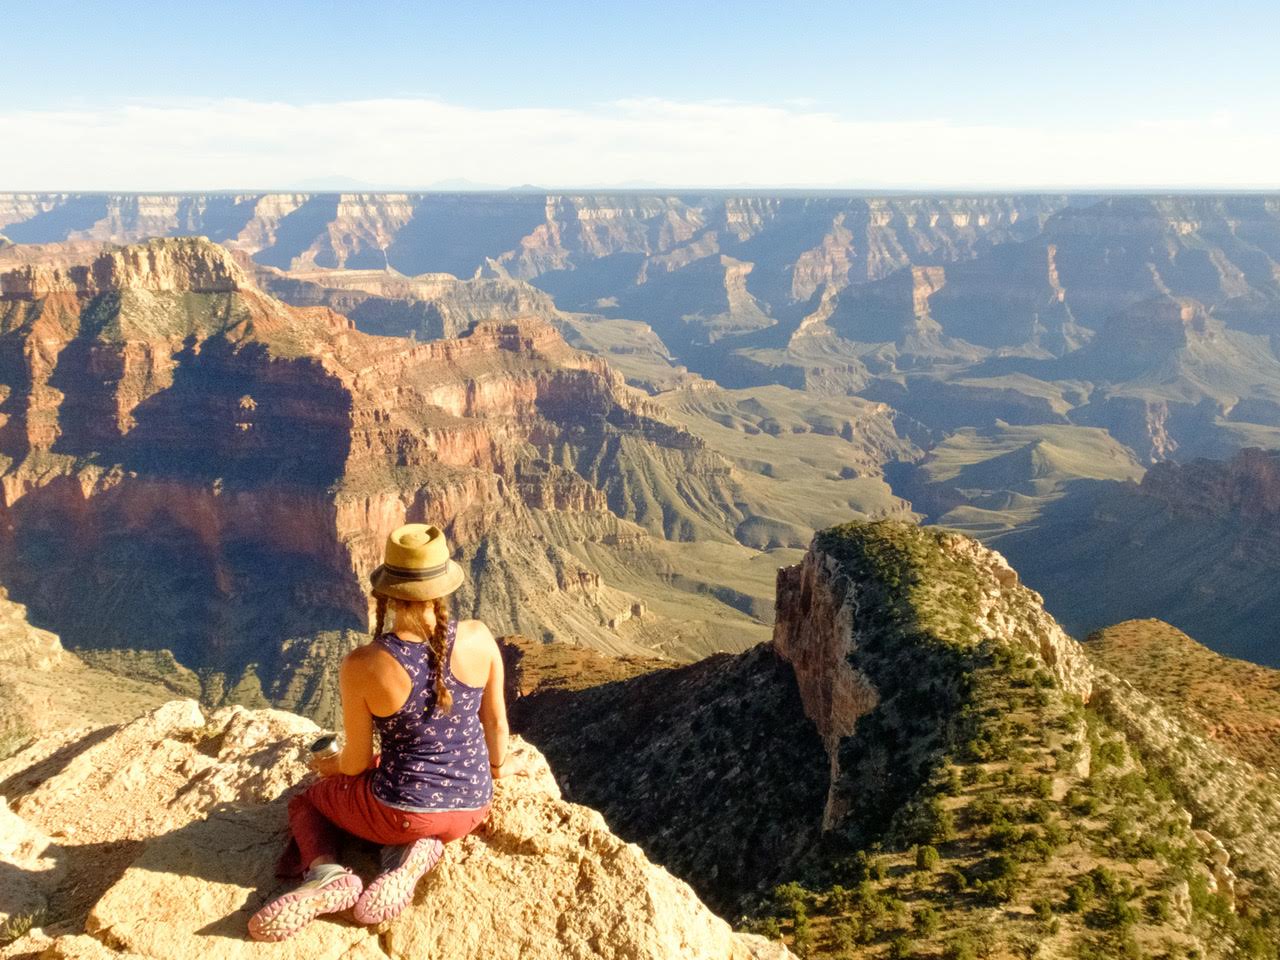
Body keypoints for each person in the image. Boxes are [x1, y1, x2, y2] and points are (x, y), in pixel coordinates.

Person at [249, 523, 511, 942]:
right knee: (385, 779)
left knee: (308, 802)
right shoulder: (480, 636)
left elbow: (353, 764)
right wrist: (495, 770)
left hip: (404, 814)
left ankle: (328, 875)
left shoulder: (364, 664)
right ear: (443, 585)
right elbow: (496, 722)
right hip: (472, 807)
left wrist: (328, 765)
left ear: (387, 593)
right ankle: (404, 859)